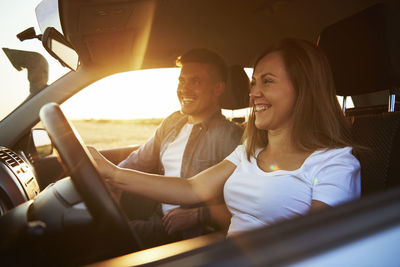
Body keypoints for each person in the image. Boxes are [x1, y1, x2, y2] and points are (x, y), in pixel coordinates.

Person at [90, 38, 361, 237]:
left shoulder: (333, 164)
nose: (253, 93)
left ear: (304, 90)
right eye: (253, 83)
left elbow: (320, 246)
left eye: (267, 81)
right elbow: (192, 187)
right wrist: (112, 174)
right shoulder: (249, 151)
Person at [116, 48, 243, 247]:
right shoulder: (172, 123)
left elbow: (245, 203)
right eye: (182, 81)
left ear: (218, 88)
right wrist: (107, 179)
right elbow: (136, 162)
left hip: (190, 233)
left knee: (107, 236)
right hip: (158, 215)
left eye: (196, 81)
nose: (184, 89)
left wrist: (199, 215)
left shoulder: (232, 138)